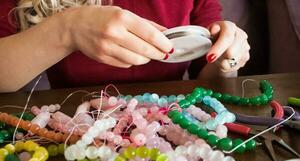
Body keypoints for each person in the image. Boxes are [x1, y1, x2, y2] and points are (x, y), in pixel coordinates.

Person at [0, 0, 250, 93]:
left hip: (175, 124)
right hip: (73, 126)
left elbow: (208, 77)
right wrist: (67, 30)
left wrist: (226, 61)